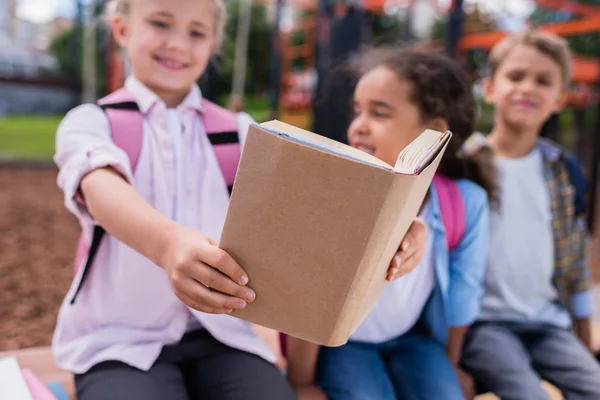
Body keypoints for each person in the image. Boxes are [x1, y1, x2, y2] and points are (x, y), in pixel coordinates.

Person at [51, 1, 427, 399]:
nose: (178, 44)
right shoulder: (92, 122)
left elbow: (316, 204)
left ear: (213, 43)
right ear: (121, 30)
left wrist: (401, 227)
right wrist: (168, 244)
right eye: (160, 23)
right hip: (120, 338)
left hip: (225, 333)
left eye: (196, 32)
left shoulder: (242, 133)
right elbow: (100, 187)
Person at [286, 48, 494, 400]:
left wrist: (451, 366)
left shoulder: (465, 203)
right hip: (347, 345)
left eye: (379, 113)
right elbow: (309, 300)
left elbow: (463, 293)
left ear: (434, 132)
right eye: (357, 112)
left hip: (415, 340)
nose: (359, 126)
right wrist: (300, 384)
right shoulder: (335, 198)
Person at [460, 29, 600, 400]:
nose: (527, 88)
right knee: (529, 394)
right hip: (485, 325)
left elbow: (574, 265)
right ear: (490, 89)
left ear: (559, 100)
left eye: (543, 81)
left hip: (547, 322)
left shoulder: (562, 171)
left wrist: (584, 341)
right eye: (515, 76)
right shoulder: (466, 165)